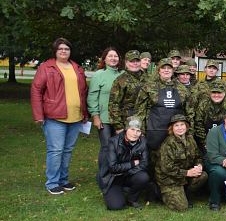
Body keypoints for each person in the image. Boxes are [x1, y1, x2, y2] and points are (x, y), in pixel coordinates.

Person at [31, 38, 88, 195]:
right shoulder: (46, 67)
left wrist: (85, 113)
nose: (64, 51)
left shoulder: (76, 67)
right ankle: (52, 182)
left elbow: (83, 92)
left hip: (75, 117)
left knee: (67, 150)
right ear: (55, 51)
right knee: (55, 150)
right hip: (54, 117)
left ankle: (63, 180)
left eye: (67, 49)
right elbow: (36, 90)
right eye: (60, 49)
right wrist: (38, 115)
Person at [135, 58, 192, 152]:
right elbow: (140, 110)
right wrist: (141, 130)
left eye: (169, 68)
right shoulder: (149, 87)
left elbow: (189, 112)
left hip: (176, 132)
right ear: (159, 70)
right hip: (154, 132)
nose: (166, 70)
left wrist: (189, 132)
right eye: (163, 68)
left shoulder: (182, 89)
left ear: (173, 70)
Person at [155, 114, 208, 211]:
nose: (180, 128)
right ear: (172, 128)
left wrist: (199, 165)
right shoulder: (168, 143)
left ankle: (186, 194)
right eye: (176, 125)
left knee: (202, 175)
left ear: (186, 126)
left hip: (184, 177)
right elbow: (167, 168)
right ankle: (159, 192)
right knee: (181, 208)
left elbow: (198, 156)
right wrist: (187, 173)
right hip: (169, 179)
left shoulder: (190, 139)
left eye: (182, 124)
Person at [88, 47, 123, 186]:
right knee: (106, 147)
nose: (113, 58)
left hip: (120, 119)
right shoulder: (99, 75)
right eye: (110, 56)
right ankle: (103, 177)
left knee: (119, 148)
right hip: (104, 119)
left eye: (116, 56)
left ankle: (117, 176)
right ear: (104, 59)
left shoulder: (123, 74)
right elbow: (92, 97)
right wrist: (95, 116)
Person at [100, 116, 150, 210]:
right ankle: (115, 191)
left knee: (143, 177)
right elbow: (113, 168)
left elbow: (144, 164)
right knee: (116, 206)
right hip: (113, 178)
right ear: (126, 129)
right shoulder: (113, 141)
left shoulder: (143, 142)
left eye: (138, 131)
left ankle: (132, 199)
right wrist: (132, 164)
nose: (135, 133)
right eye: (132, 129)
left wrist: (127, 172)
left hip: (129, 174)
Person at [108, 50, 145, 133]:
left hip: (145, 122)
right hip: (128, 122)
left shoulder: (147, 78)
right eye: (132, 61)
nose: (135, 63)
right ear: (126, 63)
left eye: (137, 61)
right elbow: (114, 104)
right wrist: (118, 126)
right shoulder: (121, 80)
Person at [192, 84, 226, 150]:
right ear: (210, 93)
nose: (216, 95)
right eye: (214, 92)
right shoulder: (203, 104)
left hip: (225, 143)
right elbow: (198, 124)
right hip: (205, 142)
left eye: (219, 93)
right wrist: (205, 142)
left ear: (224, 94)